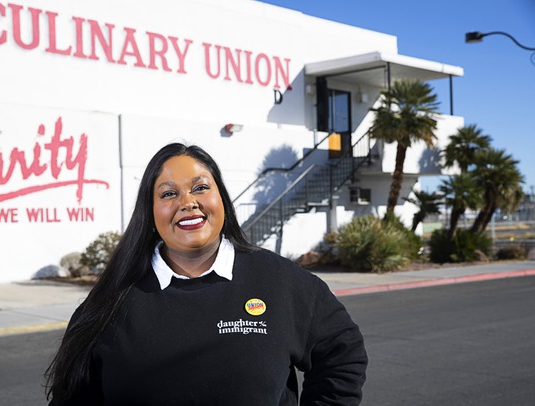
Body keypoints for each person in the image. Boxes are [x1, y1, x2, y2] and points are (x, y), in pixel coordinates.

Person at [45, 143, 367, 405]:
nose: (188, 202)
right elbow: (71, 393)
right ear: (150, 211)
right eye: (169, 193)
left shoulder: (281, 281)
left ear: (221, 199)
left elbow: (342, 351)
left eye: (200, 187)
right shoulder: (110, 301)